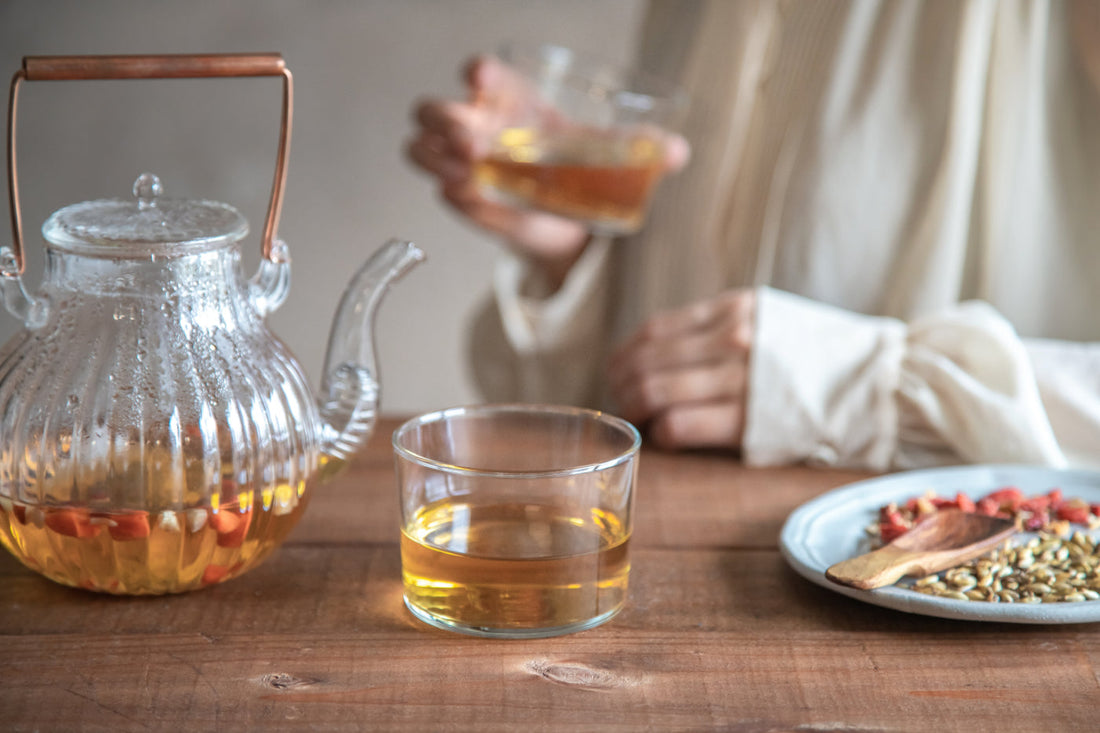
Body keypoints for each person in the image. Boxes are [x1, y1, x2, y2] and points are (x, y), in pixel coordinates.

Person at [407, 0, 1100, 471]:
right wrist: (575, 250)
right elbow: (673, 391)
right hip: (683, 602)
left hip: (964, 634)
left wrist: (857, 389)